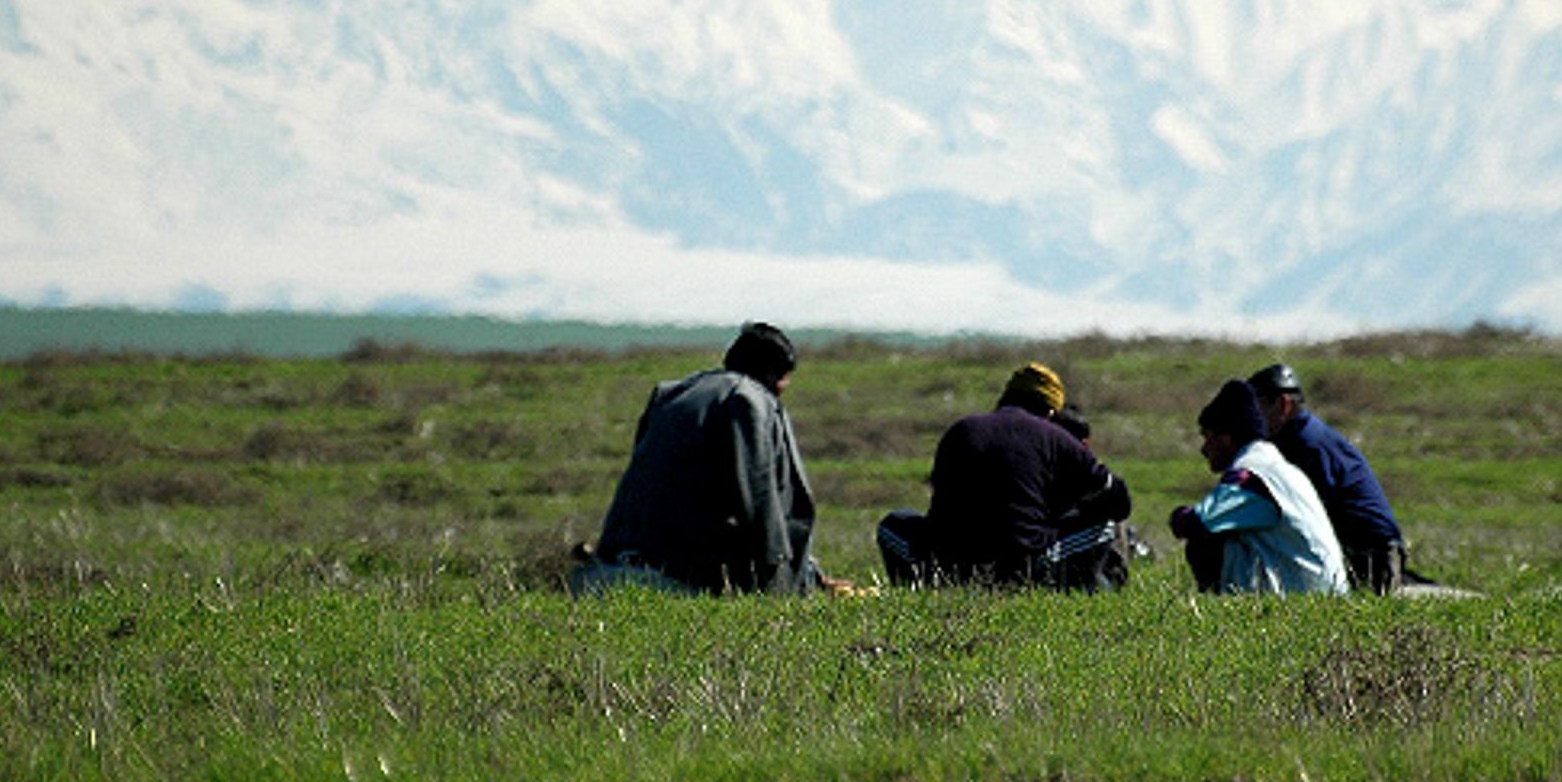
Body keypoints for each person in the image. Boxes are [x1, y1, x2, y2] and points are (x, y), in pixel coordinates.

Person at [573, 322, 824, 595]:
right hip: (677, 581)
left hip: (608, 569)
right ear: (779, 378)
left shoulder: (669, 395)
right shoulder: (748, 400)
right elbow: (762, 502)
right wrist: (784, 586)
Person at [878, 362, 1132, 590]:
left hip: (948, 564)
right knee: (1106, 525)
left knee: (893, 524)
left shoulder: (962, 429)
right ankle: (1078, 587)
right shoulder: (1055, 437)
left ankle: (921, 587)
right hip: (1020, 567)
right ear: (1052, 412)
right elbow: (1118, 499)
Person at [1170, 379, 1347, 595]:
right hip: (1324, 587)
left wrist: (1177, 515)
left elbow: (1197, 522)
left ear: (1228, 437)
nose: (1204, 449)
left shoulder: (1252, 476)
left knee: (1205, 543)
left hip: (1304, 590)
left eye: (1209, 438)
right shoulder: (1277, 467)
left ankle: (1228, 609)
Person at [1248, 362, 1410, 592]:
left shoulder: (1308, 445)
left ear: (1283, 405)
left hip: (1372, 557)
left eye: (1258, 408)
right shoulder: (1296, 438)